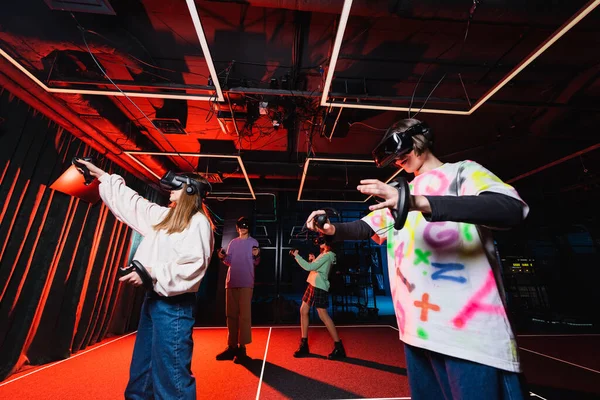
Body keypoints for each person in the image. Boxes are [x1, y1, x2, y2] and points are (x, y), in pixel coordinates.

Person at [305, 118, 530, 400]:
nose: (398, 161)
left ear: (419, 140)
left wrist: (417, 203)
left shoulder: (462, 172)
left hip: (469, 334)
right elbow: (365, 228)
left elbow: (510, 208)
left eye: (401, 153)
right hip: (417, 332)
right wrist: (330, 229)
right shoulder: (400, 194)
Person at [76, 159, 215, 400]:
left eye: (177, 187)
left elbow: (193, 267)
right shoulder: (166, 218)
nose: (171, 190)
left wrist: (150, 272)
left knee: (172, 380)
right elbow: (135, 205)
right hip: (153, 302)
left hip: (175, 307)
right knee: (143, 372)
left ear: (190, 191)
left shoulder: (198, 223)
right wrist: (101, 175)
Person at [291, 238, 346, 360]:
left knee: (323, 315)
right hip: (312, 284)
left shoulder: (328, 255)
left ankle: (339, 347)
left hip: (319, 286)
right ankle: (304, 345)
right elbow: (316, 267)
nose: (319, 243)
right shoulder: (325, 254)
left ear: (329, 244)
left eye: (323, 242)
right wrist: (313, 259)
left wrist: (296, 256)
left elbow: (308, 267)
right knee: (303, 311)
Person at [216, 216, 260, 363]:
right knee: (231, 315)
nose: (243, 227)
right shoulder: (233, 243)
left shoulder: (253, 242)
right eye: (241, 225)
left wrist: (257, 255)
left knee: (244, 316)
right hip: (231, 282)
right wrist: (222, 257)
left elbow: (256, 262)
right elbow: (229, 261)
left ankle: (242, 349)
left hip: (246, 282)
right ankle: (232, 347)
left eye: (246, 225)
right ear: (237, 227)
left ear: (249, 227)